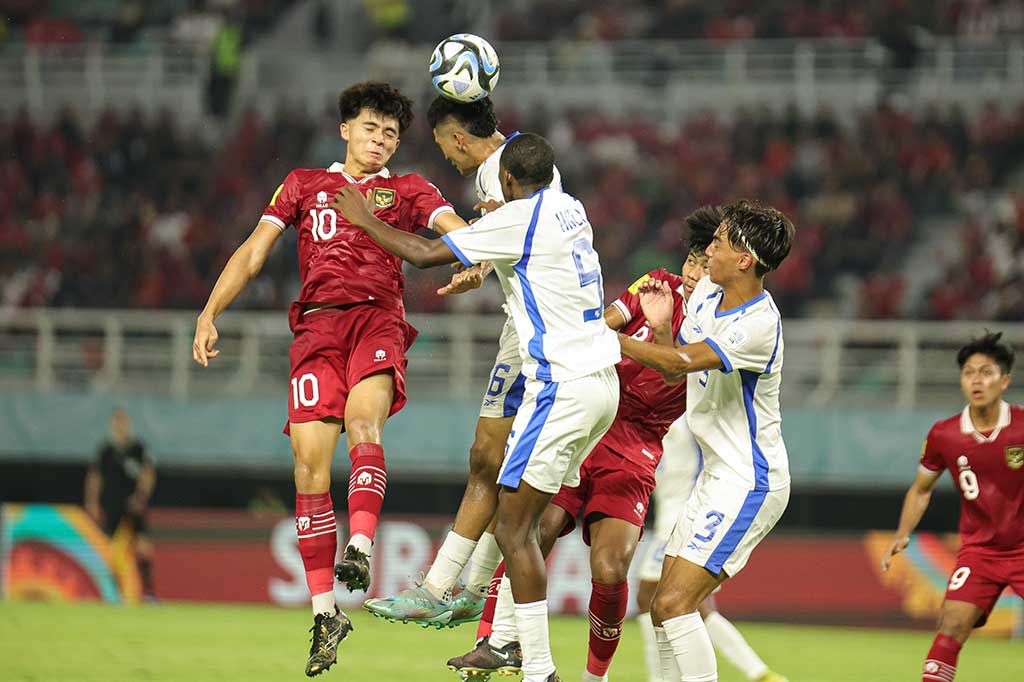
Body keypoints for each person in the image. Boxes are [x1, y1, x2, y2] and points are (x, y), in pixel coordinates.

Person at [192, 81, 467, 677]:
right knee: (308, 466)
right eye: (370, 128)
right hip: (315, 330)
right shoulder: (302, 185)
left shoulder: (409, 189)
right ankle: (325, 615)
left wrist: (472, 260)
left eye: (391, 133)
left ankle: (360, 548)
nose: (380, 140)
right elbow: (253, 252)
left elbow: (458, 232)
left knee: (364, 423)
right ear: (346, 129)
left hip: (378, 319)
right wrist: (211, 311)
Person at [332, 132, 621, 682]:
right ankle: (502, 636)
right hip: (602, 384)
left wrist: (365, 218)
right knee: (527, 526)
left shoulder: (518, 218)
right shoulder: (570, 208)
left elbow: (422, 253)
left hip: (561, 385)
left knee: (514, 530)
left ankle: (535, 667)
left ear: (508, 181)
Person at [447, 207, 713, 682]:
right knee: (529, 526)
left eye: (705, 265)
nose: (693, 273)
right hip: (591, 423)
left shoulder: (719, 323)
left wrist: (661, 329)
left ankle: (595, 677)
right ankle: (495, 640)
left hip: (638, 449)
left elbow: (674, 371)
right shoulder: (655, 283)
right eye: (692, 260)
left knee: (610, 568)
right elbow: (599, 323)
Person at [364, 96, 563, 629]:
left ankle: (463, 595)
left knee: (504, 477)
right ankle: (460, 590)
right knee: (490, 461)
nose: (446, 158)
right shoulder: (526, 162)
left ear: (455, 138)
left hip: (539, 340)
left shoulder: (505, 173)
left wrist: (362, 218)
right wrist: (480, 263)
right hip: (523, 329)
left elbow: (434, 251)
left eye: (440, 144)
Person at [617, 200, 794, 682]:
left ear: (745, 260)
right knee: (660, 604)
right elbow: (676, 366)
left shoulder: (757, 324)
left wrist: (602, 337)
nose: (706, 250)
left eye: (719, 243)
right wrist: (657, 328)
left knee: (673, 603)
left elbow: (678, 364)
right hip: (717, 475)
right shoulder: (704, 299)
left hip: (750, 481)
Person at [882, 332, 1024, 682]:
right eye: (969, 372)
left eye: (986, 372)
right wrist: (903, 534)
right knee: (952, 622)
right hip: (980, 552)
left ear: (1004, 381)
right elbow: (921, 489)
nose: (977, 380)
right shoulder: (944, 434)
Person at [84, 408, 157, 600]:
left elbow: (148, 474)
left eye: (123, 422)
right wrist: (92, 502)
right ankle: (112, 593)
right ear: (112, 425)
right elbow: (95, 477)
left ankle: (148, 594)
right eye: (117, 422)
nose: (120, 426)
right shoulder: (106, 450)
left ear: (128, 424)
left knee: (143, 546)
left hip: (134, 504)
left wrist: (140, 497)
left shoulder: (139, 448)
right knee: (110, 548)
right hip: (112, 504)